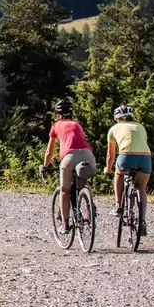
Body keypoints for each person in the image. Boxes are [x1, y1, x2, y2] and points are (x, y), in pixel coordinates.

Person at [40, 97, 96, 231]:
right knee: (83, 182)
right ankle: (91, 207)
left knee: (64, 190)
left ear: (57, 114)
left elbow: (49, 151)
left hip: (69, 156)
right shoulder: (77, 124)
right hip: (88, 155)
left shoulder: (55, 126)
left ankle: (65, 224)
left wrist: (45, 166)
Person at [106, 104, 151, 236]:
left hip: (126, 156)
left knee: (118, 174)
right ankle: (142, 220)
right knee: (141, 188)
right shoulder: (140, 127)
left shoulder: (114, 129)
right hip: (145, 157)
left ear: (116, 118)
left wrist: (107, 169)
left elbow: (110, 155)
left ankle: (118, 206)